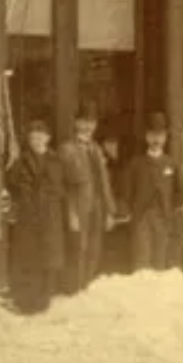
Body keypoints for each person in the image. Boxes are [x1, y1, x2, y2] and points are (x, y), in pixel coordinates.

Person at [4, 119, 66, 314]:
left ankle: (44, 301)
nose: (37, 140)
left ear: (48, 138)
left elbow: (60, 188)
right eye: (33, 137)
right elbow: (11, 184)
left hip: (50, 217)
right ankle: (26, 302)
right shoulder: (21, 162)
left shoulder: (56, 161)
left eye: (41, 136)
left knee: (48, 259)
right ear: (29, 141)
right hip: (28, 217)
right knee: (28, 260)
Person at [121, 113, 183, 272]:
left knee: (160, 263)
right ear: (146, 137)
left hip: (163, 219)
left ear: (165, 138)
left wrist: (171, 208)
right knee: (141, 262)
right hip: (141, 219)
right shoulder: (136, 163)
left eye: (160, 135)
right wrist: (131, 211)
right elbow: (125, 192)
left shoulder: (171, 164)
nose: (156, 140)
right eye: (152, 135)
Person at [59, 105, 115, 293]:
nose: (87, 126)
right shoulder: (66, 150)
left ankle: (86, 290)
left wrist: (110, 211)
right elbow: (64, 187)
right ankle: (74, 292)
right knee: (78, 251)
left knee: (94, 250)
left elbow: (104, 182)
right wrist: (71, 214)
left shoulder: (97, 149)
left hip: (98, 208)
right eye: (83, 121)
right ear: (76, 123)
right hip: (79, 208)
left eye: (91, 122)